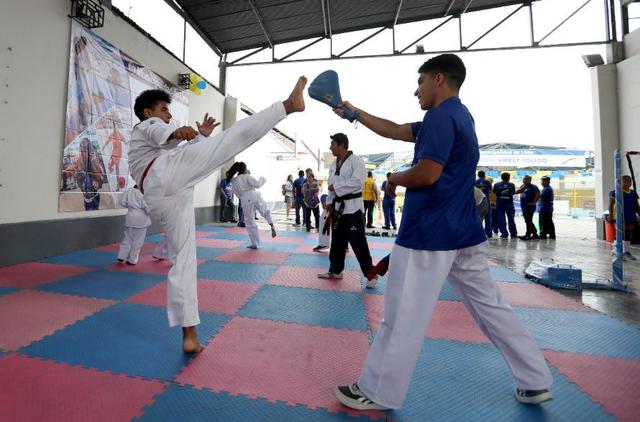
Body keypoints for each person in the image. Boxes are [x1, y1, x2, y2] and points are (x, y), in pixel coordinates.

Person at [330, 54, 553, 411]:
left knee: (402, 316)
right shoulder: (459, 116)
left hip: (428, 235)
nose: (414, 90)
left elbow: (427, 174)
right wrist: (355, 112)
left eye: (419, 82)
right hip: (463, 233)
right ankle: (535, 379)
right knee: (493, 309)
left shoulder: (440, 116)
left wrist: (393, 179)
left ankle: (377, 391)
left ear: (437, 79)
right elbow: (396, 129)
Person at [128, 77, 306, 353]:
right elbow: (159, 132)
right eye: (164, 109)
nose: (168, 114)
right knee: (230, 140)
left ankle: (190, 335)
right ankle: (286, 106)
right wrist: (176, 132)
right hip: (163, 176)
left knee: (184, 260)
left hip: (164, 195)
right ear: (148, 112)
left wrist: (200, 137)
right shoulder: (145, 126)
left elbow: (184, 151)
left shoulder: (150, 143)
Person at [318, 133, 376, 289]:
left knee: (358, 242)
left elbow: (358, 182)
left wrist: (336, 188)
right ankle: (335, 270)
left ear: (342, 145)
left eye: (333, 144)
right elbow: (330, 183)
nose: (330, 147)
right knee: (337, 241)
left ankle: (371, 274)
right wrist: (329, 202)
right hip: (337, 208)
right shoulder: (334, 163)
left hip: (353, 208)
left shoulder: (356, 161)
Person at [228, 162, 277, 248]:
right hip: (255, 196)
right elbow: (258, 185)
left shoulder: (234, 180)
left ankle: (255, 243)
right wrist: (263, 178)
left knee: (250, 222)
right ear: (245, 169)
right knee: (265, 211)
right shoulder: (247, 176)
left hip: (245, 200)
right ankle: (272, 224)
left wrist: (242, 196)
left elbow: (236, 193)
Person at [608, 175, 640, 260]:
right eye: (625, 181)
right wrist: (611, 216)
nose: (628, 183)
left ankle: (626, 251)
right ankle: (615, 251)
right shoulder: (615, 192)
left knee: (628, 233)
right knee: (620, 233)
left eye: (629, 181)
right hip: (619, 215)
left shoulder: (633, 193)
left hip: (630, 214)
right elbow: (611, 205)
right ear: (620, 182)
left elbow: (637, 206)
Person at [117, 185, 151, 265]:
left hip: (130, 217)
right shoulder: (143, 194)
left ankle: (121, 256)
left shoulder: (128, 191)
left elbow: (121, 202)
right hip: (141, 219)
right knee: (138, 241)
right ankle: (132, 259)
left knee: (127, 238)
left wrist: (130, 207)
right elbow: (148, 208)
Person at [493, 172, 518, 239]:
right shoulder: (512, 185)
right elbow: (513, 193)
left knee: (501, 219)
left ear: (501, 177)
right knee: (511, 219)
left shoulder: (496, 184)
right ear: (509, 178)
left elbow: (494, 193)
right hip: (509, 204)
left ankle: (504, 234)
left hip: (500, 204)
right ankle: (513, 234)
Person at [516, 175, 540, 240]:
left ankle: (528, 235)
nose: (524, 180)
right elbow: (517, 192)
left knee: (528, 220)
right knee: (528, 221)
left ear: (530, 180)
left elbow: (538, 195)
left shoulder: (533, 187)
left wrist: (534, 202)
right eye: (524, 179)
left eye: (526, 179)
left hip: (530, 207)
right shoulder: (522, 186)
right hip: (523, 206)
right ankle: (535, 234)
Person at [475, 170, 493, 238]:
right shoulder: (487, 182)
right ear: (484, 175)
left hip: (477, 202)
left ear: (478, 175)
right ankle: (489, 234)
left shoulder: (475, 182)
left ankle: (479, 234)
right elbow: (490, 191)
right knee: (488, 218)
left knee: (478, 218)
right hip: (486, 201)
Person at [538, 176, 556, 240]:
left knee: (544, 222)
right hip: (546, 207)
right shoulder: (546, 188)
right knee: (548, 221)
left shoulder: (547, 189)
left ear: (548, 182)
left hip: (545, 208)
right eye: (542, 181)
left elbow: (541, 197)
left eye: (543, 181)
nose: (542, 183)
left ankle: (543, 234)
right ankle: (551, 234)